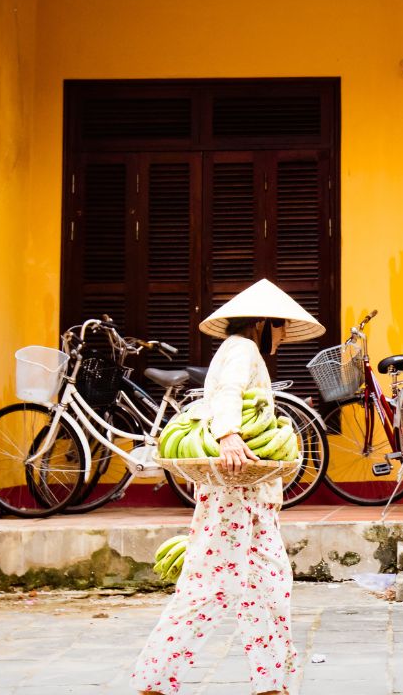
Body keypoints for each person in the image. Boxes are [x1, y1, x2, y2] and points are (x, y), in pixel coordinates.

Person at [133, 279, 325, 695]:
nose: (284, 335)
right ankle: (153, 680)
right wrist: (229, 435)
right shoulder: (242, 349)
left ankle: (272, 683)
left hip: (250, 496)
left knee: (268, 584)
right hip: (234, 493)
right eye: (281, 326)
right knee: (208, 587)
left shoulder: (242, 349)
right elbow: (227, 393)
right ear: (263, 323)